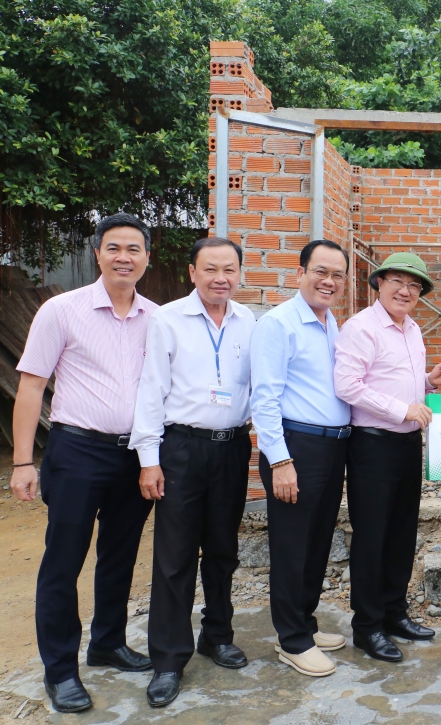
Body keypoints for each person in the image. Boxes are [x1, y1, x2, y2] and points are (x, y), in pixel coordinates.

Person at [10, 214, 158, 713]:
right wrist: (22, 461)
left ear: (146, 257)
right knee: (63, 560)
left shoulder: (157, 318)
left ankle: (108, 643)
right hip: (76, 451)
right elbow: (31, 385)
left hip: (134, 455)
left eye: (133, 249)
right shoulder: (62, 311)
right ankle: (60, 670)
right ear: (97, 253)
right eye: (113, 247)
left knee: (120, 555)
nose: (124, 257)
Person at [129, 237, 256, 707]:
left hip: (231, 448)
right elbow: (150, 389)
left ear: (239, 274)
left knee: (223, 549)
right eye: (210, 269)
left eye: (229, 269)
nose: (220, 277)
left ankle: (217, 634)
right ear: (192, 272)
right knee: (175, 556)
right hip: (181, 447)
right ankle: (167, 658)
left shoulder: (248, 322)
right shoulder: (168, 320)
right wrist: (149, 459)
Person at [333, 252, 441, 663]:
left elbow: (395, 380)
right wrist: (403, 409)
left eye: (414, 285)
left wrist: (426, 382)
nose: (406, 290)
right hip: (372, 444)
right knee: (372, 536)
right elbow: (348, 385)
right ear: (379, 284)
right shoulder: (362, 327)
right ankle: (367, 627)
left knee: (401, 532)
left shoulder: (412, 328)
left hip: (404, 443)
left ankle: (394, 613)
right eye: (398, 281)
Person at [250, 239, 352, 677]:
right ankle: (290, 640)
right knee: (292, 546)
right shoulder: (279, 324)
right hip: (297, 447)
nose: (328, 281)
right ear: (300, 273)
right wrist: (280, 460)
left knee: (316, 542)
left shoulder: (331, 323)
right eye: (320, 272)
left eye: (337, 275)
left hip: (333, 446)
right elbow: (265, 398)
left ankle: (304, 624)